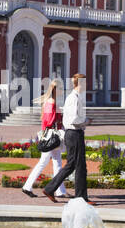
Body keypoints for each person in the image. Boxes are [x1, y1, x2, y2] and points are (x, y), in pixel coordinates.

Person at [44, 72, 89, 203]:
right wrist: (86, 121)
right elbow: (74, 119)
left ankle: (51, 189)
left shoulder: (73, 97)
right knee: (77, 166)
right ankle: (80, 197)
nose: (87, 85)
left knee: (75, 165)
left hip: (73, 133)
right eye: (85, 82)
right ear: (80, 83)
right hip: (74, 133)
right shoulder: (74, 98)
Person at [22, 79, 68, 199]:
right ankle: (29, 187)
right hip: (51, 137)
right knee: (50, 162)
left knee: (54, 162)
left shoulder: (52, 102)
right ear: (55, 89)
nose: (62, 91)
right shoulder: (51, 102)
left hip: (50, 136)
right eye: (61, 89)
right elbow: (48, 121)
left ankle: (59, 190)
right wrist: (59, 120)